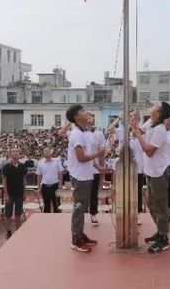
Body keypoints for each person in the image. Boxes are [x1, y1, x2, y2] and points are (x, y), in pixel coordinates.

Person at [132, 102, 170, 254]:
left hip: (159, 172)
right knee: (150, 203)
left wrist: (138, 136)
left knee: (160, 205)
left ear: (159, 113)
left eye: (156, 106)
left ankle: (164, 238)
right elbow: (137, 132)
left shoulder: (160, 129)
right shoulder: (151, 122)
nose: (152, 106)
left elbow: (149, 151)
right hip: (150, 171)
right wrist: (134, 123)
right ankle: (159, 231)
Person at [66, 105, 107, 253]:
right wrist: (99, 153)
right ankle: (75, 239)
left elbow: (88, 156)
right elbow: (82, 158)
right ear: (76, 117)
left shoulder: (85, 133)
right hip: (80, 176)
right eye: (82, 112)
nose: (86, 113)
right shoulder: (77, 134)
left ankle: (81, 234)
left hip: (87, 174)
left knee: (83, 207)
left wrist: (98, 168)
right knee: (79, 208)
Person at [2, 147, 27, 239]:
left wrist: (24, 193)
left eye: (17, 152)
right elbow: (4, 181)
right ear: (10, 154)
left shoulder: (22, 167)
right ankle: (8, 231)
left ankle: (18, 231)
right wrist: (6, 194)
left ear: (19, 154)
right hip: (10, 195)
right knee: (8, 214)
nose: (15, 153)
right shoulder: (6, 167)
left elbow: (24, 180)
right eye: (13, 151)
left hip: (19, 194)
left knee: (18, 214)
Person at [37, 148, 63, 213]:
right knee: (46, 204)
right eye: (46, 152)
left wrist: (60, 185)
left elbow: (60, 173)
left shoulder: (57, 161)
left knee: (56, 204)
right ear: (43, 154)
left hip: (55, 185)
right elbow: (39, 175)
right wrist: (38, 187)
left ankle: (57, 219)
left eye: (48, 152)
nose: (47, 153)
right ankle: (46, 220)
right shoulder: (40, 162)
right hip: (45, 186)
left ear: (51, 153)